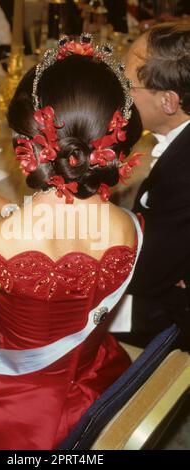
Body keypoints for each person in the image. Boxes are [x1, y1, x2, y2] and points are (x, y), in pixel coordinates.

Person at [0, 35, 143, 450]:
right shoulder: (129, 227)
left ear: (26, 144)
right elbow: (66, 232)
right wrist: (4, 207)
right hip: (96, 379)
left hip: (15, 413)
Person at [113, 22, 190, 351]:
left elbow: (144, 275)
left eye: (127, 84)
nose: (120, 93)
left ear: (168, 102)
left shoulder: (182, 175)